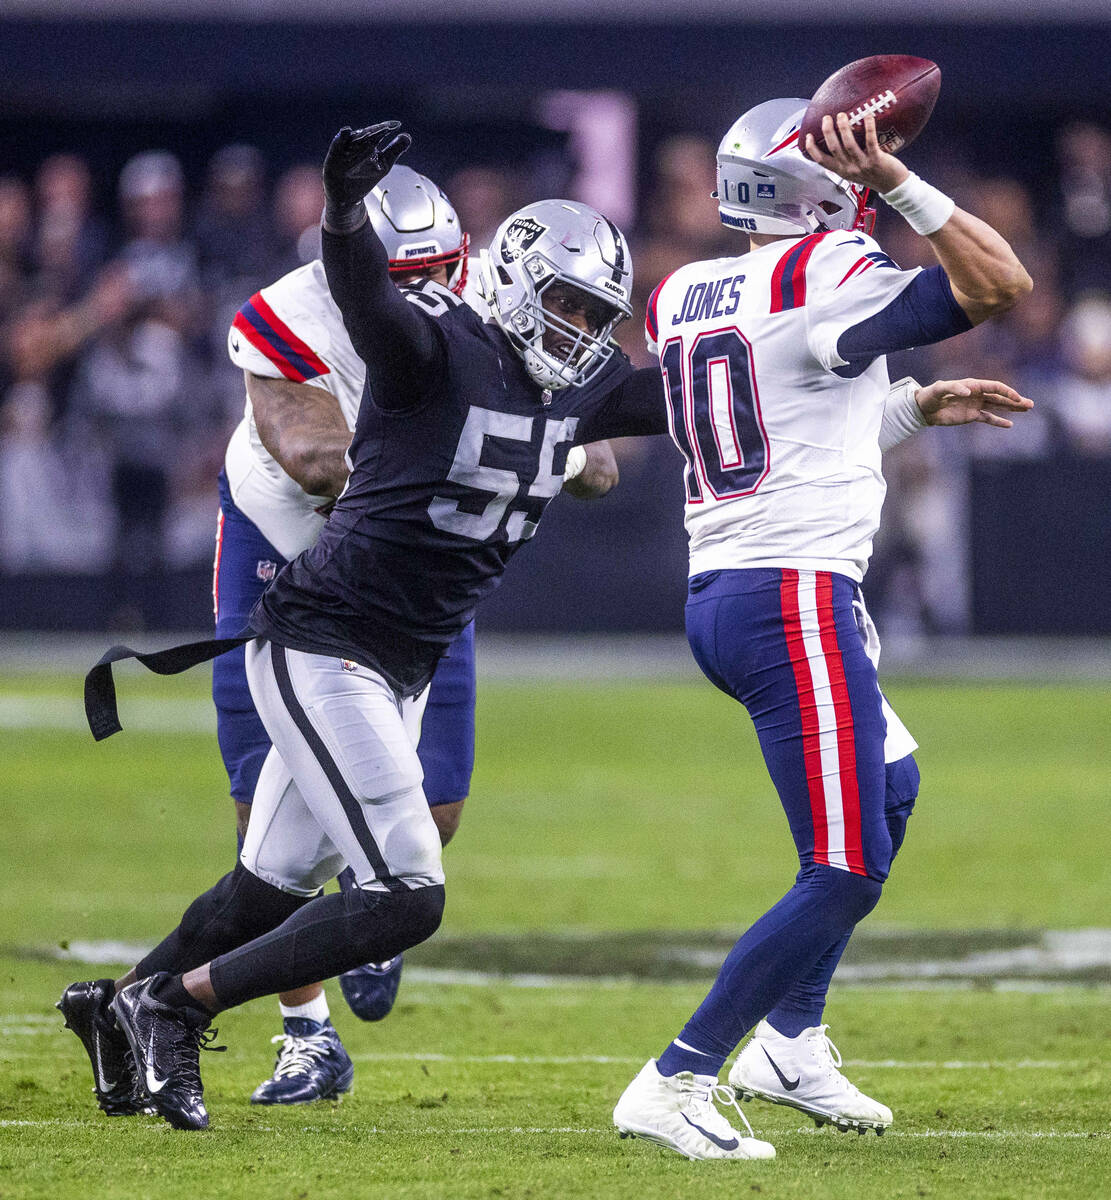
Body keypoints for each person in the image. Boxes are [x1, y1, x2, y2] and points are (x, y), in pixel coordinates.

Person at [67, 122, 667, 1132]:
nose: (574, 329)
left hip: (395, 648)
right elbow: (352, 347)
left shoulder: (554, 374)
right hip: (323, 629)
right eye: (562, 304)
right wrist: (345, 210)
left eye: (591, 314)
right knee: (408, 894)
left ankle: (118, 1005)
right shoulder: (428, 348)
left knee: (268, 886)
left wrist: (879, 394)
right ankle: (178, 1007)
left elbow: (683, 400)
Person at [612, 101, 1032, 1161]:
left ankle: (790, 1043)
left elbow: (779, 412)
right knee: (844, 866)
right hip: (788, 596)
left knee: (891, 786)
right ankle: (677, 1076)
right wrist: (898, 179)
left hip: (735, 589)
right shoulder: (821, 269)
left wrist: (909, 410)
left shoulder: (682, 291)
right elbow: (997, 284)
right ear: (821, 191)